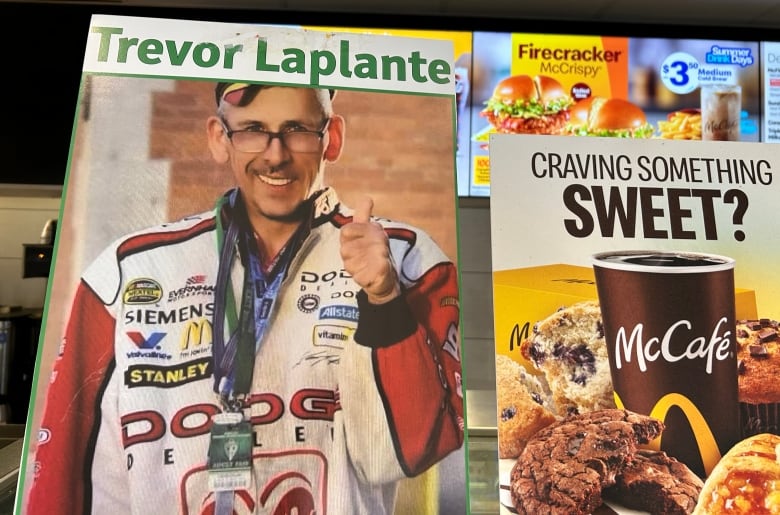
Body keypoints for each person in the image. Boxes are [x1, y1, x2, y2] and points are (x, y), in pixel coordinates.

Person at [25, 81, 464, 515]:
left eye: (296, 129)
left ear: (332, 138)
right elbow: (63, 469)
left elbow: (413, 450)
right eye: (252, 129)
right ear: (220, 139)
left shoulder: (408, 258)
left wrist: (384, 299)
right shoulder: (127, 270)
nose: (275, 154)